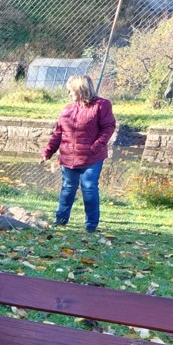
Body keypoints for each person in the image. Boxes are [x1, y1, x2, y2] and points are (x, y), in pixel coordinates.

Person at [42, 75, 116, 234]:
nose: (69, 94)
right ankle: (61, 220)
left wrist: (96, 146)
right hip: (68, 157)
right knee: (68, 188)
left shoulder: (102, 105)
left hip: (92, 157)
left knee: (89, 187)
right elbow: (58, 133)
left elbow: (108, 127)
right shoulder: (67, 110)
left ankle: (91, 225)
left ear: (80, 89)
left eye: (71, 90)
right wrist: (48, 151)